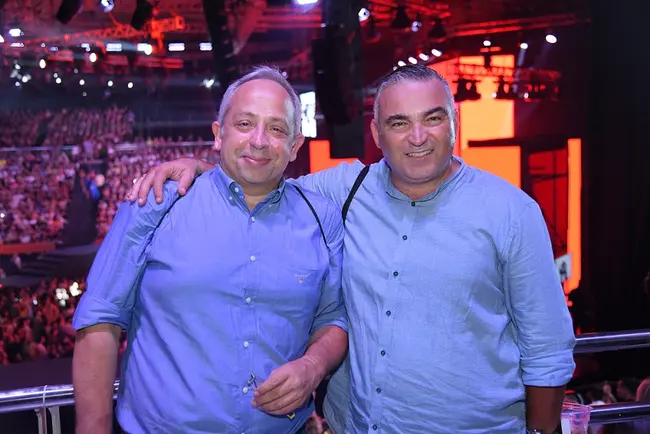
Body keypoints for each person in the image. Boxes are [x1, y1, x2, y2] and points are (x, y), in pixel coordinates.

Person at [127, 64, 576, 433]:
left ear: (453, 123)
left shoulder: (511, 212)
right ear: (377, 133)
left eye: (432, 118)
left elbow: (547, 349)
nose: (417, 136)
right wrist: (199, 168)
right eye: (399, 123)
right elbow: (258, 175)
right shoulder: (344, 189)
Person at [72, 66, 348, 434]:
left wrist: (313, 366)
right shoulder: (157, 202)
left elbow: (333, 317)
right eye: (245, 124)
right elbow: (99, 320)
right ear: (219, 134)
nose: (259, 140)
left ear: (295, 145)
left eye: (277, 129)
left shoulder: (321, 216)